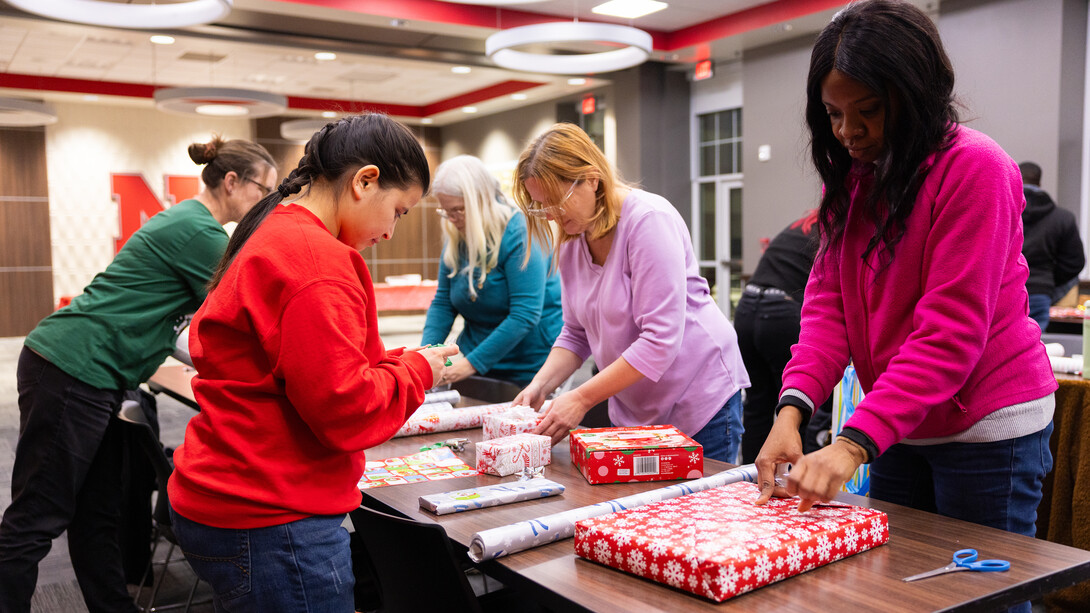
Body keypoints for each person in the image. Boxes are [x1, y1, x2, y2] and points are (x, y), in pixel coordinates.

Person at [754, 0, 1056, 579]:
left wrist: (851, 444)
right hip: (901, 423)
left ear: (915, 93)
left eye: (867, 110)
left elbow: (950, 333)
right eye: (833, 114)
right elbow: (827, 310)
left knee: (979, 592)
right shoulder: (858, 179)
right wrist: (792, 410)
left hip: (987, 428)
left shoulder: (976, 169)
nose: (848, 132)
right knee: (898, 585)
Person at [166, 114, 457, 612]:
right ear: (365, 181)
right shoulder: (316, 260)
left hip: (228, 496)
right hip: (271, 516)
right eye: (399, 212)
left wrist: (400, 363)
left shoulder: (277, 229)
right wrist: (419, 372)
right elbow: (348, 409)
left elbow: (310, 364)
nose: (390, 232)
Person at [0, 135, 277, 613]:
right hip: (73, 367)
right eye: (264, 190)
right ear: (232, 182)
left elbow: (176, 330)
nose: (267, 204)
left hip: (95, 374)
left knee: (97, 514)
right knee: (37, 518)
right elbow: (243, 321)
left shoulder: (187, 221)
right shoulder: (202, 235)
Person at [511, 123, 750, 463]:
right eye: (540, 205)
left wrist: (580, 399)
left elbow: (660, 339)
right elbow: (576, 334)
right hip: (636, 406)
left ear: (592, 179)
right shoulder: (572, 241)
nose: (549, 215)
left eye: (555, 201)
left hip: (697, 397)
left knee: (695, 514)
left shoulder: (648, 220)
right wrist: (540, 386)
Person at [421, 155, 562, 387]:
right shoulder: (458, 235)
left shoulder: (519, 234)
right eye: (446, 211)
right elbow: (444, 303)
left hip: (529, 366)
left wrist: (468, 366)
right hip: (480, 359)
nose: (452, 219)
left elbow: (524, 314)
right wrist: (426, 355)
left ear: (481, 202)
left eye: (458, 210)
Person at [734, 210, 832, 463]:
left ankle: (751, 479)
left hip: (747, 308)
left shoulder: (802, 224)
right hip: (782, 312)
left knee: (756, 405)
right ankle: (798, 480)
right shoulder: (834, 226)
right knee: (797, 407)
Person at [1018, 161, 1084, 330]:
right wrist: (1050, 283)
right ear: (1040, 183)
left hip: (1004, 292)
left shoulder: (1002, 213)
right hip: (1041, 291)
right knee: (1037, 347)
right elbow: (1074, 262)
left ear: (1017, 179)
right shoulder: (1063, 218)